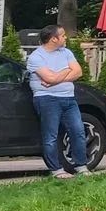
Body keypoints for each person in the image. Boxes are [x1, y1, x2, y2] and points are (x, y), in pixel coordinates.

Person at [25, 25, 90, 179]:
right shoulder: (36, 57)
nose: (65, 37)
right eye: (62, 35)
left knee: (78, 131)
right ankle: (56, 169)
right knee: (51, 136)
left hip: (68, 98)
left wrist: (56, 79)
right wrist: (67, 71)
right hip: (47, 99)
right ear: (53, 39)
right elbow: (50, 78)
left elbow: (78, 72)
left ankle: (81, 165)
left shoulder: (66, 52)